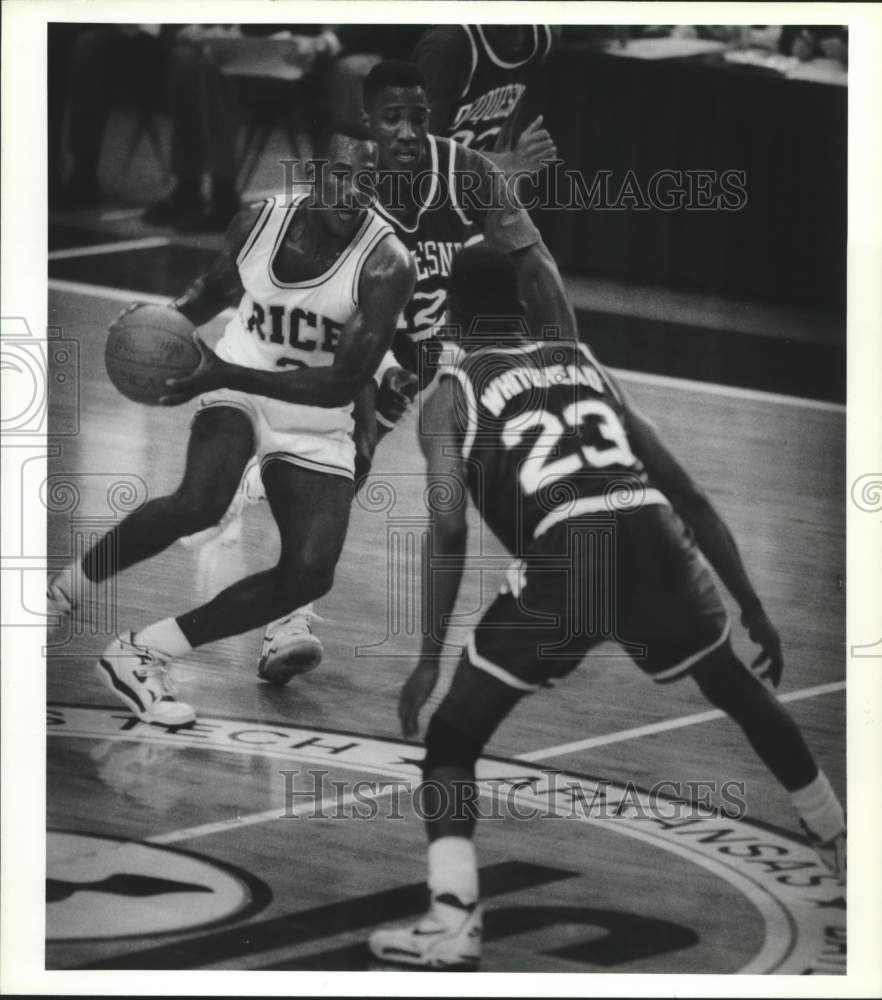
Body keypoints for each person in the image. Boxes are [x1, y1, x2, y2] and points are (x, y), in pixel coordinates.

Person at [367, 244, 846, 968]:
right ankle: (839, 839)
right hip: (651, 532)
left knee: (452, 743)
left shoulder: (450, 394)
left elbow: (450, 526)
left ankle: (453, 918)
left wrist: (428, 658)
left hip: (568, 556)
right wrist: (751, 606)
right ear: (524, 311)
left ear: (450, 320)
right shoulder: (584, 363)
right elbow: (687, 492)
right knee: (738, 690)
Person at [47, 121, 415, 725]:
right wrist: (155, 326)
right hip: (239, 380)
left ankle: (142, 653)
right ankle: (59, 595)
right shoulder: (259, 222)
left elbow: (343, 384)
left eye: (369, 182)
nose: (353, 193)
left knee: (310, 573)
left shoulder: (387, 263)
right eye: (343, 175)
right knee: (200, 500)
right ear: (318, 172)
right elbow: (211, 292)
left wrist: (219, 373)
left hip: (311, 411)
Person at [254, 58, 578, 682]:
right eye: (391, 119)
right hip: (364, 340)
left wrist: (569, 364)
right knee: (351, 457)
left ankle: (560, 583)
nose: (406, 132)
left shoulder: (468, 171)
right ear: (369, 124)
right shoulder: (345, 190)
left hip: (449, 351)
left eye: (418, 118)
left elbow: (536, 265)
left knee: (527, 446)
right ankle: (287, 617)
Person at [412, 25, 559, 177]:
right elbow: (419, 153)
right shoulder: (447, 47)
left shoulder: (541, 39)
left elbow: (505, 129)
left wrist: (506, 164)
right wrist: (505, 163)